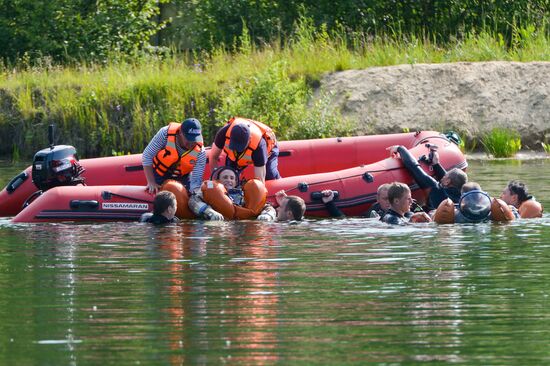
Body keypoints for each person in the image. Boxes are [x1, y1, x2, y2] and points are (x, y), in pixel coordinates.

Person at [388, 145, 467, 210]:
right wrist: (436, 164)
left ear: (447, 181)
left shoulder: (435, 188)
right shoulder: (463, 197)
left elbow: (414, 167)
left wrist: (400, 149)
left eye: (445, 176)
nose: (442, 177)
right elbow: (448, 180)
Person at [142, 118, 206, 195]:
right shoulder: (165, 133)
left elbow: (196, 180)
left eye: (195, 139)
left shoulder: (200, 151)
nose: (192, 143)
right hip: (159, 174)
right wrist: (151, 182)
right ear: (180, 133)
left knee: (190, 195)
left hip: (183, 176)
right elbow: (147, 155)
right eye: (189, 139)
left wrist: (195, 193)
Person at [209, 117, 280, 183]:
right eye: (235, 145)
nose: (238, 150)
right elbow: (213, 157)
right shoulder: (223, 133)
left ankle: (280, 185)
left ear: (249, 139)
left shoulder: (259, 145)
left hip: (269, 149)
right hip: (236, 155)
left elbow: (260, 179)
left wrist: (258, 192)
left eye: (240, 146)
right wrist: (216, 180)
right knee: (229, 174)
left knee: (270, 174)